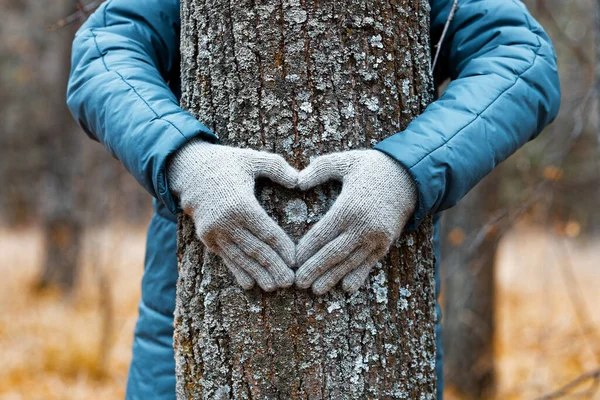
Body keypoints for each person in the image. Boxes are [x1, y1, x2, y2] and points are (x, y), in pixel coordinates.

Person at [66, 0, 561, 398]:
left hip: (383, 325)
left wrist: (408, 170)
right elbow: (104, 50)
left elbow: (522, 58)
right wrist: (182, 157)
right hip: (183, 341)